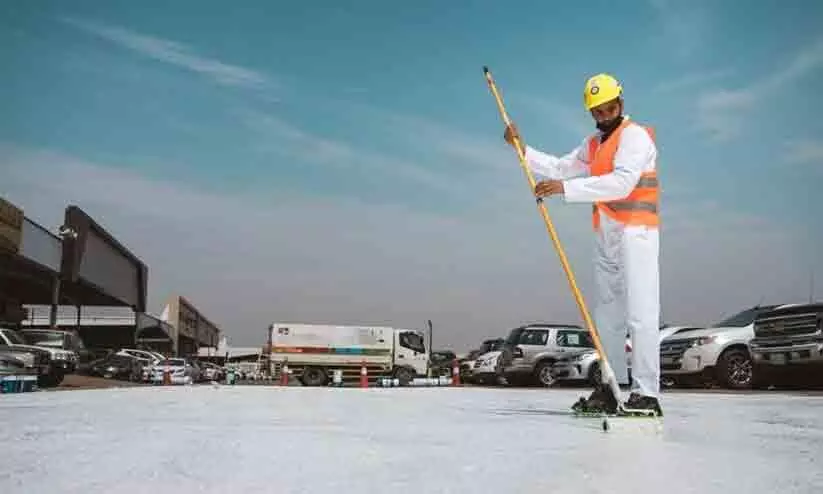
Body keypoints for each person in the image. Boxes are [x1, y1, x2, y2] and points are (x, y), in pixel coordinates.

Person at [503, 73, 662, 416]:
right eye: (598, 112)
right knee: (607, 319)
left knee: (641, 315)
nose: (605, 115)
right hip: (607, 236)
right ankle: (611, 385)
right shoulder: (594, 144)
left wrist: (565, 190)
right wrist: (522, 148)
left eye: (610, 108)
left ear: (621, 102)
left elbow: (621, 184)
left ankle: (647, 393)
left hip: (637, 234)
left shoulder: (634, 137)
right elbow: (561, 167)